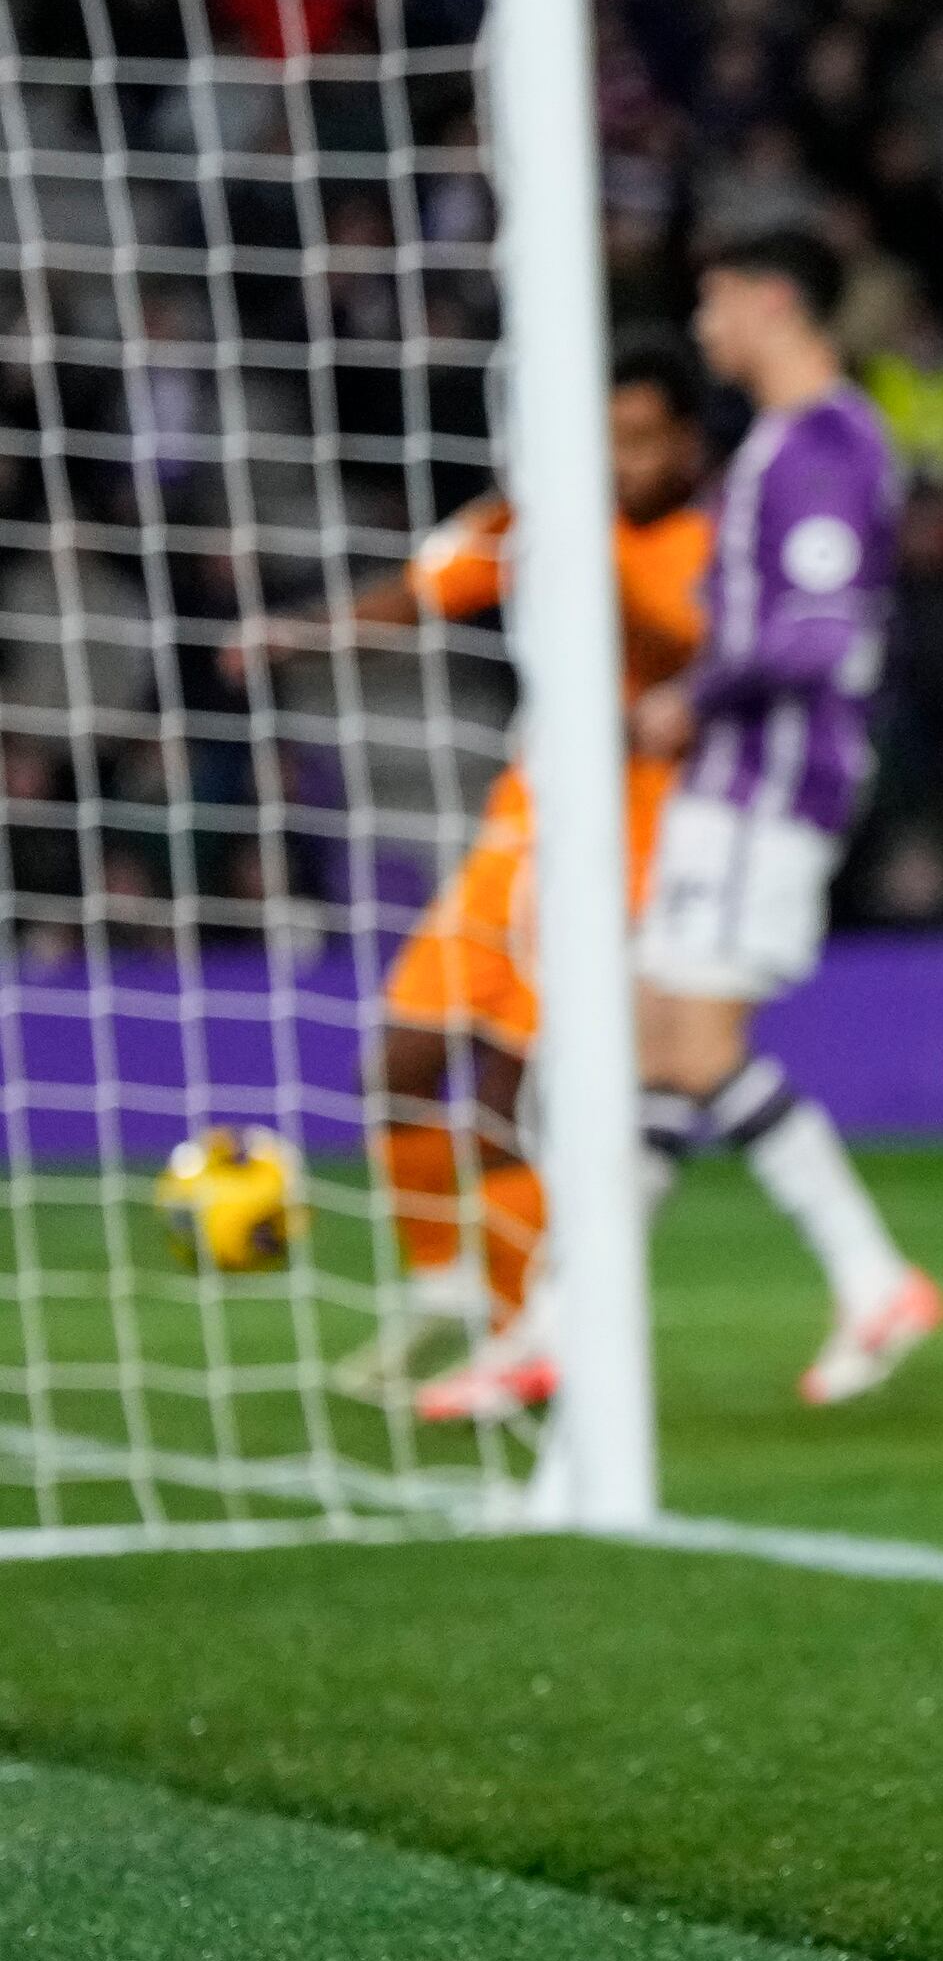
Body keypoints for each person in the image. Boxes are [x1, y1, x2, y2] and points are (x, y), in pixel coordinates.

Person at [453, 229, 942, 1416]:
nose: (706, 326)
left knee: (685, 1046)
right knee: (656, 1064)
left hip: (768, 784)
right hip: (738, 785)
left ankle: (870, 1275)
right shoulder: (786, 443)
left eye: (717, 301)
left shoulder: (820, 442)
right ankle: (561, 1329)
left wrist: (687, 697)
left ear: (773, 302)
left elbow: (818, 634)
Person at [231, 347, 718, 1393]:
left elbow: (682, 653)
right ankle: (443, 1291)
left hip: (630, 849)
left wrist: (585, 554)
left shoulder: (709, 542)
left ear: (685, 441)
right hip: (521, 825)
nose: (622, 461)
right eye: (607, 440)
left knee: (508, 1098)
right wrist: (299, 636)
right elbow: (426, 589)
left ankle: (524, 1338)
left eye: (640, 439)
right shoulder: (545, 517)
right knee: (399, 1067)